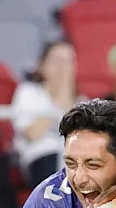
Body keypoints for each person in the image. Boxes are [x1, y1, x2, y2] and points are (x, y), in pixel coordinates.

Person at [11, 41, 79, 188]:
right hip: (42, 157)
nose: (62, 68)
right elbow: (32, 133)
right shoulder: (29, 93)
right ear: (42, 65)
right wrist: (59, 100)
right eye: (57, 60)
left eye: (68, 61)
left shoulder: (82, 101)